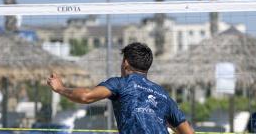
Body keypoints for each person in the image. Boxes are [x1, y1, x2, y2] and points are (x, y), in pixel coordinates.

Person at [47, 42, 194, 134]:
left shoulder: (121, 83)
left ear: (125, 63)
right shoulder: (163, 95)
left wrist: (60, 88)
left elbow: (86, 96)